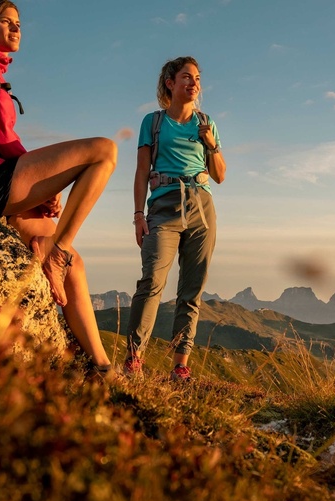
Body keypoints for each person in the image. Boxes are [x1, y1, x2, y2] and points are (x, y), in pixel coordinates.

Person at [0, 0, 115, 372]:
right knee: (104, 151)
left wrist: (37, 197)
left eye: (19, 23)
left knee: (74, 264)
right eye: (6, 21)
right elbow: (0, 135)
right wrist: (47, 189)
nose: (16, 28)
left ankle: (102, 367)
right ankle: (56, 251)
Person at [124, 56, 226, 381]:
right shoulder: (153, 122)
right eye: (186, 76)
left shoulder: (207, 123)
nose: (194, 83)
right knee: (151, 281)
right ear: (170, 83)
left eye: (197, 77)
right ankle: (133, 359)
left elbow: (220, 175)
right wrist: (139, 214)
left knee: (192, 289)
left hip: (202, 207)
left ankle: (180, 366)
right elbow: (142, 172)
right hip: (164, 206)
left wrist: (210, 144)